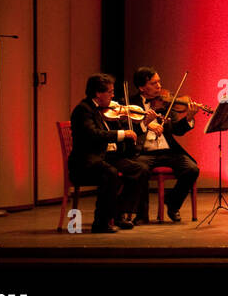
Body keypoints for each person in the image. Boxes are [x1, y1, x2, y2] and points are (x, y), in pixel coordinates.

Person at [68, 73, 150, 233]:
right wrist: (121, 134)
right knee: (110, 174)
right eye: (110, 92)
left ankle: (118, 214)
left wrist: (133, 130)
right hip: (86, 162)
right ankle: (100, 223)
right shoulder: (83, 110)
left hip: (106, 158)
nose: (113, 96)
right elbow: (94, 134)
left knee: (140, 169)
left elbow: (121, 130)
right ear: (98, 94)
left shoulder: (107, 110)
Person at [125, 68, 201, 223]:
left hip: (168, 152)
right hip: (143, 153)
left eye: (159, 82)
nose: (159, 86)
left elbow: (177, 130)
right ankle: (142, 214)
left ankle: (172, 203)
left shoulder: (166, 103)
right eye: (153, 83)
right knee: (141, 169)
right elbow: (128, 130)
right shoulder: (130, 104)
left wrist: (188, 118)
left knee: (192, 169)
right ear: (141, 87)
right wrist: (146, 123)